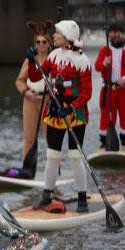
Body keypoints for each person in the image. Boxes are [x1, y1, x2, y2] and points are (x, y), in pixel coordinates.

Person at [34, 19, 92, 213]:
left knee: (75, 156)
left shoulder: (82, 61)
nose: (54, 36)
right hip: (55, 111)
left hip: (75, 113)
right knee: (52, 156)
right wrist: (32, 60)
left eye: (57, 33)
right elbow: (37, 76)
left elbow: (87, 93)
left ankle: (82, 198)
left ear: (66, 37)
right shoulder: (54, 55)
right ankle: (46, 196)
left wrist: (72, 108)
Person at [94, 23, 125, 151]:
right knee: (106, 117)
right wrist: (104, 63)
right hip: (108, 89)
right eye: (109, 34)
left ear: (120, 33)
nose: (111, 37)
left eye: (113, 33)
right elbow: (97, 66)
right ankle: (105, 143)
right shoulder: (105, 50)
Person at [16, 21, 53, 160]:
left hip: (48, 101)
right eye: (38, 42)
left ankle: (55, 169)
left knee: (51, 138)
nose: (41, 44)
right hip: (30, 100)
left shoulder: (53, 60)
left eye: (44, 42)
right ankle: (27, 168)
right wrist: (26, 92)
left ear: (49, 44)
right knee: (29, 137)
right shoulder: (30, 60)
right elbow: (19, 80)